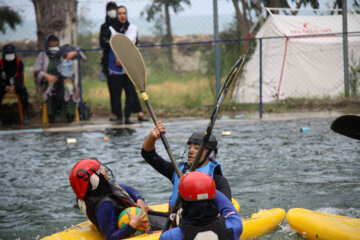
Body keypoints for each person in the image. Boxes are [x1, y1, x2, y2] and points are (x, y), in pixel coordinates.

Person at [142, 121, 232, 210]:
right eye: (190, 147)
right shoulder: (177, 170)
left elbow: (226, 209)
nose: (191, 151)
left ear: (210, 154)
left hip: (202, 222)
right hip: (176, 220)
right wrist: (152, 136)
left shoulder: (218, 180)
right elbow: (148, 155)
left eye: (197, 148)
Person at [69, 159, 149, 240]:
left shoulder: (103, 189)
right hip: (126, 230)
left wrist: (139, 199)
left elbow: (126, 189)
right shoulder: (105, 205)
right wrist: (132, 225)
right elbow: (111, 237)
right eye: (99, 170)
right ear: (94, 180)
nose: (103, 170)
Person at [160, 171, 243, 240]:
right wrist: (204, 185)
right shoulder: (233, 228)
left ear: (184, 204)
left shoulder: (171, 236)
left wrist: (187, 185)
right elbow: (226, 205)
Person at [105, 5, 148, 124]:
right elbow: (108, 46)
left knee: (130, 93)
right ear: (117, 15)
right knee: (116, 94)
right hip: (115, 68)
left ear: (127, 15)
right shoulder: (111, 29)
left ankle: (128, 116)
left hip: (129, 68)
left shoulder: (133, 29)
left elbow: (135, 45)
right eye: (119, 13)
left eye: (124, 13)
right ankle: (119, 117)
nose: (122, 15)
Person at [33, 34, 82, 123]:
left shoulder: (63, 53)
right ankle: (52, 117)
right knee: (50, 90)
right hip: (49, 80)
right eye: (51, 46)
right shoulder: (42, 55)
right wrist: (47, 76)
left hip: (63, 78)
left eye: (55, 46)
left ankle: (70, 116)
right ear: (47, 45)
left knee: (69, 88)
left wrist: (74, 53)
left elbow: (81, 55)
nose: (54, 48)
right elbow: (36, 71)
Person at [0, 44, 29, 125]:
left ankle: (25, 114)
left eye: (11, 53)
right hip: (3, 85)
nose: (9, 55)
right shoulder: (1, 63)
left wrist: (14, 86)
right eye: (7, 53)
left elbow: (20, 77)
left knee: (24, 92)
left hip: (16, 85)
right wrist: (5, 87)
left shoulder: (19, 62)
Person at [99, 1, 117, 82]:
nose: (112, 11)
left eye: (114, 9)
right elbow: (102, 43)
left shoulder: (121, 25)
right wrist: (109, 41)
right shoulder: (104, 27)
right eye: (109, 9)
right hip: (108, 59)